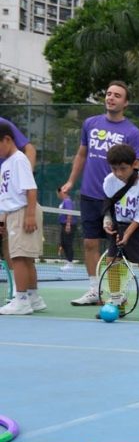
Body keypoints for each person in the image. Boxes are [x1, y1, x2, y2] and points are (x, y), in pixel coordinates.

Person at [60, 81, 139, 307]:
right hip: (89, 195)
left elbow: (135, 168)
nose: (111, 98)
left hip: (116, 200)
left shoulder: (133, 132)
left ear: (125, 102)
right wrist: (71, 181)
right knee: (89, 243)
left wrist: (127, 197)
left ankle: (117, 292)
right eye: (108, 94)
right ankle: (94, 290)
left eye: (117, 95)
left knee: (115, 248)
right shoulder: (90, 124)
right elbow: (81, 155)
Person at [100, 144, 139, 321]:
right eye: (114, 168)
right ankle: (117, 301)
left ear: (135, 164)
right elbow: (109, 205)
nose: (118, 173)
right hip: (119, 225)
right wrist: (107, 220)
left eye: (123, 168)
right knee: (112, 262)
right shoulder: (109, 181)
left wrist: (127, 234)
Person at [0, 122, 45, 315]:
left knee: (18, 257)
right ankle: (34, 298)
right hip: (14, 213)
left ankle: (21, 300)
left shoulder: (19, 160)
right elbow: (6, 195)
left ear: (7, 140)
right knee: (25, 259)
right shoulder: (6, 163)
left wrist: (29, 215)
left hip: (23, 211)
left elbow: (31, 188)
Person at [57, 188, 76, 271]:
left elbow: (69, 212)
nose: (57, 195)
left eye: (58, 193)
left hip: (68, 225)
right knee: (63, 243)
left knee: (68, 243)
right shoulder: (63, 201)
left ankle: (70, 263)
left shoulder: (67, 201)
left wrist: (68, 224)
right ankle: (68, 262)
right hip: (63, 225)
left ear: (62, 192)